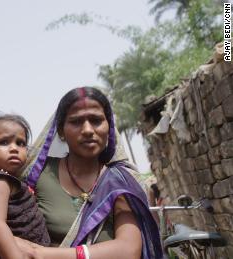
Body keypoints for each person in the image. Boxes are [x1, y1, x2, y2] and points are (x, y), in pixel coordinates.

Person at [19, 87, 162, 259]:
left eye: (96, 120)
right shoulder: (38, 175)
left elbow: (128, 250)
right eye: (76, 121)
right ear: (61, 131)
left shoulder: (121, 182)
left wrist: (41, 254)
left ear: (108, 127)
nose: (87, 130)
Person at [0, 114, 50, 259]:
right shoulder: (0, 181)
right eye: (4, 142)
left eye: (20, 143)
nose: (14, 148)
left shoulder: (12, 181)